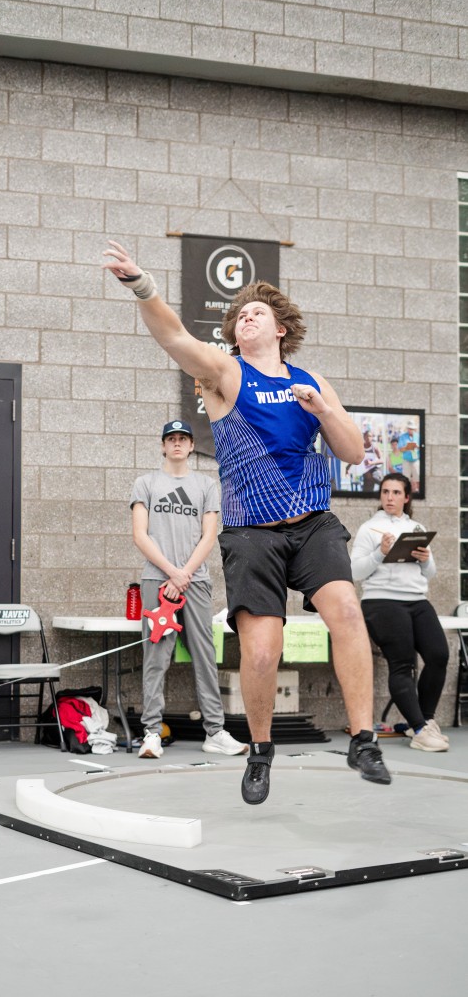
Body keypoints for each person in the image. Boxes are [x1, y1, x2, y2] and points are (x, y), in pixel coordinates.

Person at [103, 239, 391, 803]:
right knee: (262, 651)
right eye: (238, 317)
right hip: (251, 530)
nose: (245, 319)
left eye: (256, 313)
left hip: (312, 524)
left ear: (280, 327)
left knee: (348, 611)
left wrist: (324, 410)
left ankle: (364, 739)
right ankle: (259, 750)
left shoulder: (311, 381)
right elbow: (173, 337)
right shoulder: (225, 374)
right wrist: (142, 285)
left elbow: (355, 453)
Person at [130, 420, 248, 760]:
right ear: (163, 445)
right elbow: (141, 534)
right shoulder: (146, 483)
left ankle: (215, 731)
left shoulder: (205, 485)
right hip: (157, 580)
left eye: (183, 438)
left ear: (192, 445)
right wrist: (171, 572)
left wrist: (184, 574)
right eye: (171, 439)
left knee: (204, 655)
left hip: (195, 582)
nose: (177, 444)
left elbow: (209, 536)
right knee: (156, 658)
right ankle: (151, 732)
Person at [351, 472, 449, 751]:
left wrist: (426, 559)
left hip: (416, 600)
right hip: (381, 602)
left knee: (439, 655)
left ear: (407, 497)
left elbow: (430, 573)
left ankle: (424, 721)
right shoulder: (369, 528)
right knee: (402, 663)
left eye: (396, 493)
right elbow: (354, 571)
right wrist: (380, 553)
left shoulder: (416, 527)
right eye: (385, 492)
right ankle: (419, 730)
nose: (390, 497)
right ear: (380, 496)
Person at [398, 420, 421, 492]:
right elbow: (400, 449)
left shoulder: (418, 436)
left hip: (416, 460)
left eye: (412, 429)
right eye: (409, 428)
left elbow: (422, 447)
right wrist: (407, 447)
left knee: (417, 477)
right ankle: (406, 492)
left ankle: (417, 491)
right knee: (405, 478)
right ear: (407, 428)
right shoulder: (402, 437)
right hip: (406, 460)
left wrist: (417, 447)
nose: (411, 430)